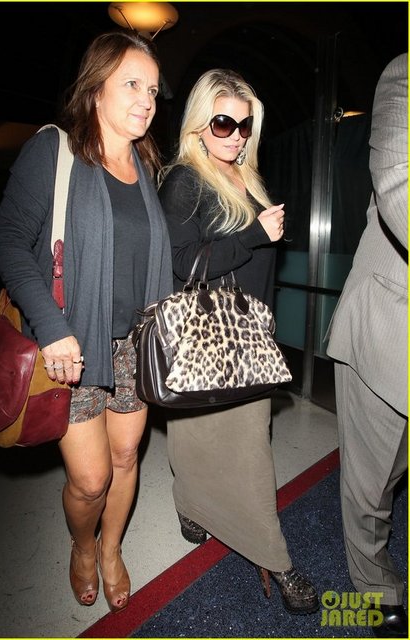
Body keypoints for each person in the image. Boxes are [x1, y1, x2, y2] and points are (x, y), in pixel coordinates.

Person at [0, 30, 172, 613]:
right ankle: (82, 546)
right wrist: (50, 326)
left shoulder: (145, 165)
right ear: (95, 88)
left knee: (126, 459)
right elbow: (8, 242)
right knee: (91, 480)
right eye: (132, 84)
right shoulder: (55, 150)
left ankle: (111, 548)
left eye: (153, 89)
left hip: (133, 346)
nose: (146, 99)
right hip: (73, 342)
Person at [158, 68, 319, 615]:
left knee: (243, 442)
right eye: (224, 122)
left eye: (245, 125)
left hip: (249, 334)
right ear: (199, 124)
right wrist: (253, 234)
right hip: (209, 337)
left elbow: (256, 267)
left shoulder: (245, 178)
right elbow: (182, 264)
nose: (236, 135)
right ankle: (276, 557)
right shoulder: (185, 180)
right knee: (222, 445)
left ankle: (193, 505)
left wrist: (267, 321)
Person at [327, 53, 408, 638]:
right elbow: (399, 185)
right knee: (370, 486)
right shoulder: (404, 74)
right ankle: (375, 593)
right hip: (387, 324)